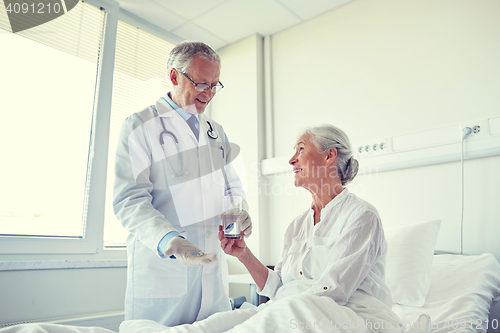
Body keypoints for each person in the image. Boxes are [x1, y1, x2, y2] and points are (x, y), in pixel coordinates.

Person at [119, 125, 410, 333]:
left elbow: (334, 292)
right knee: (218, 323)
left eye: (300, 149)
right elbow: (278, 287)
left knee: (278, 312)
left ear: (329, 156)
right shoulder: (298, 226)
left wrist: (277, 309)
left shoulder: (362, 216)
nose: (291, 160)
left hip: (348, 316)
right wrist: (244, 254)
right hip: (297, 308)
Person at [113, 41, 252, 326]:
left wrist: (240, 213)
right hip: (164, 271)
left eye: (215, 85)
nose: (209, 94)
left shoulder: (215, 131)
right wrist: (169, 241)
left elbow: (231, 188)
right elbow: (129, 199)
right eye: (201, 83)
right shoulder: (140, 125)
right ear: (175, 76)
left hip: (212, 273)